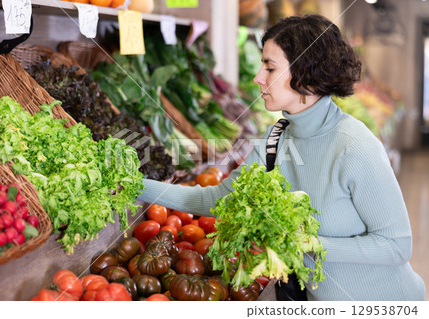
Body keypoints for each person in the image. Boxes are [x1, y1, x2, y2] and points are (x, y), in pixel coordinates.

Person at [138, 14, 426, 301]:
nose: (257, 78)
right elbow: (219, 201)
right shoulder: (274, 140)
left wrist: (311, 244)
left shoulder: (354, 146)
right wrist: (137, 187)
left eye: (270, 68)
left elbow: (397, 246)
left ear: (305, 74)